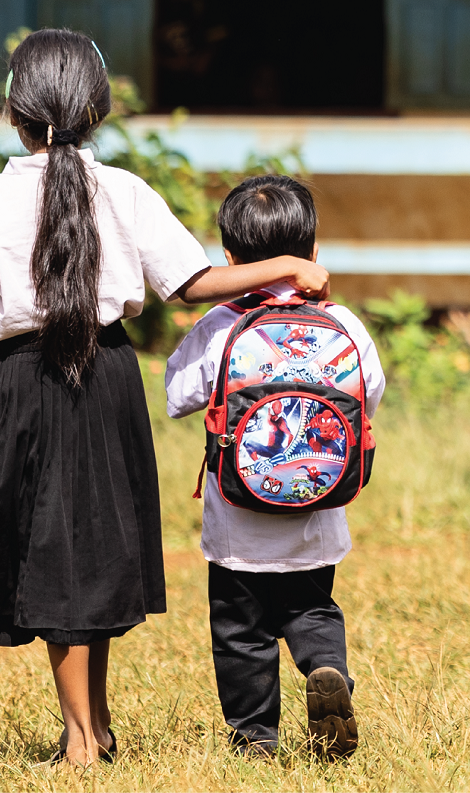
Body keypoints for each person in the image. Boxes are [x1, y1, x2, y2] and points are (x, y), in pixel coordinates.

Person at [0, 29, 332, 769]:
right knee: (93, 555)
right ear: (98, 111)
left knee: (53, 560)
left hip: (26, 382)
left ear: (15, 112)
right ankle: (96, 727)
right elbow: (194, 282)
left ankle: (82, 741)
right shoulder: (128, 192)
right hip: (107, 379)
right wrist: (286, 265)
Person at [163, 174, 386, 760]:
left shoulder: (219, 327)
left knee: (241, 633)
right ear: (312, 252)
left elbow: (176, 396)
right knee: (312, 608)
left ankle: (256, 738)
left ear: (232, 259)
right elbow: (370, 395)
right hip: (317, 513)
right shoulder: (346, 326)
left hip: (236, 517)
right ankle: (325, 668)